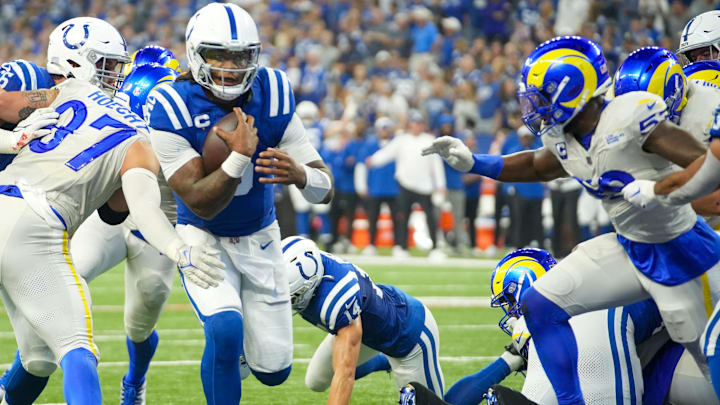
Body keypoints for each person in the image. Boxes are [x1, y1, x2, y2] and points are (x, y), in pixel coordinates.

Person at [422, 36, 720, 404]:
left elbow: (708, 165)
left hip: (683, 251)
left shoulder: (630, 116)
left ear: (572, 90)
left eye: (542, 95)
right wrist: (474, 163)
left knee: (710, 357)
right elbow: (536, 164)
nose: (534, 105)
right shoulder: (568, 135)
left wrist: (658, 191)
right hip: (630, 246)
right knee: (540, 305)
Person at [0, 36, 225, 405]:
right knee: (76, 348)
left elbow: (5, 102)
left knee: (40, 358)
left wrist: (14, 140)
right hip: (40, 228)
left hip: (10, 198)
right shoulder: (140, 141)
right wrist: (178, 249)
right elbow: (135, 208)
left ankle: (129, 382)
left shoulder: (71, 88)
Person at [146, 3, 334, 403]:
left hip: (260, 237)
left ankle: (244, 356)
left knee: (274, 372)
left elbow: (326, 189)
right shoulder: (171, 105)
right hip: (203, 237)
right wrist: (238, 157)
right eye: (219, 55)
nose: (231, 66)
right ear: (197, 54)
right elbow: (199, 203)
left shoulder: (275, 93)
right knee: (224, 330)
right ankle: (227, 352)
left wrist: (300, 176)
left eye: (241, 56)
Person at [69, 60, 180, 404]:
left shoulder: (185, 124)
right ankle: (20, 370)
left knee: (139, 325)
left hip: (156, 231)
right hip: (112, 216)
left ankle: (135, 380)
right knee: (64, 276)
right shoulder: (112, 107)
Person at [280, 236, 444, 404]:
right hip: (366, 327)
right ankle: (382, 360)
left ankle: (474, 379)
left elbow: (346, 373)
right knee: (315, 380)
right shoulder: (306, 263)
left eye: (291, 296)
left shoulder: (337, 301)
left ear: (308, 286)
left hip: (408, 336)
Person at [366, 110, 446, 259]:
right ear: (410, 125)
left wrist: (440, 185)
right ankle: (402, 247)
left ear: (422, 125)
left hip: (426, 186)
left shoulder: (429, 140)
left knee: (431, 217)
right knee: (402, 217)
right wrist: (374, 160)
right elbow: (387, 153)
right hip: (405, 184)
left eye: (419, 124)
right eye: (414, 123)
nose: (416, 127)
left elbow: (437, 165)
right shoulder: (401, 140)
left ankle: (435, 248)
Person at [355, 116, 400, 255]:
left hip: (394, 188)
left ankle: (398, 245)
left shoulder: (396, 144)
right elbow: (362, 165)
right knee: (372, 218)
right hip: (375, 188)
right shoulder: (369, 145)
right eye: (382, 128)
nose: (384, 131)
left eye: (386, 128)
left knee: (397, 219)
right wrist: (361, 185)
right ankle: (371, 244)